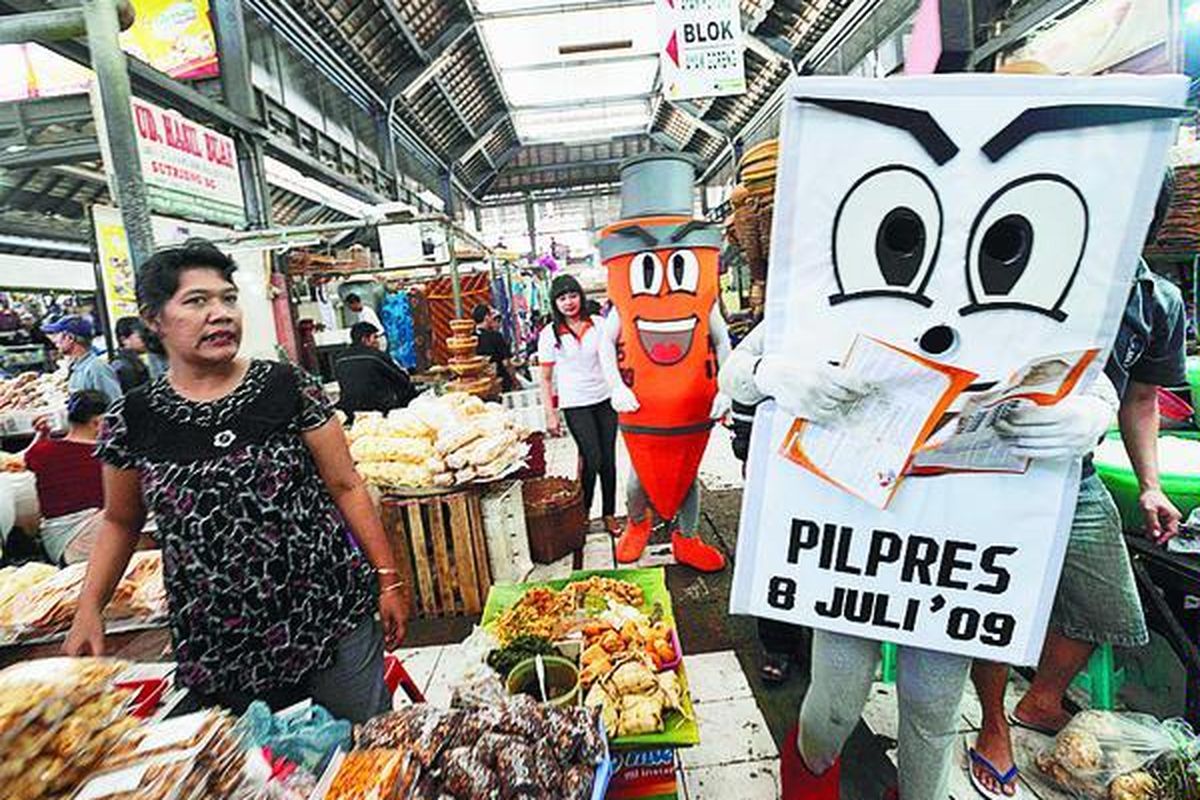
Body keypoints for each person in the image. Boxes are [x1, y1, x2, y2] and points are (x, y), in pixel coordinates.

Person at [721, 324, 1116, 800]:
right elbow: (736, 366)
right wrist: (770, 372)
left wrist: (1092, 413)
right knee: (835, 702)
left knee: (933, 709)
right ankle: (808, 781)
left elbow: (1093, 372)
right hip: (852, 530)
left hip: (955, 538)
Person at [63, 240, 408, 723]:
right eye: (197, 301)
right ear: (154, 319)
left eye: (228, 298)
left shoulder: (288, 387)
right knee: (252, 762)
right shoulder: (133, 418)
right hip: (219, 640)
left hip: (328, 616)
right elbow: (121, 521)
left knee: (366, 748)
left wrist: (388, 579)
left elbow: (346, 485)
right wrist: (90, 606)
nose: (221, 313)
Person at [966, 173, 1187, 799]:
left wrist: (1150, 485)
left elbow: (1141, 399)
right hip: (995, 466)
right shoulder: (1029, 268)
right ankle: (992, 725)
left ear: (1151, 223)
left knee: (1107, 606)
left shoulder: (1157, 301)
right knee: (994, 603)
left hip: (1075, 473)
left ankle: (1040, 700)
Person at [537, 275, 620, 535]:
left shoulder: (599, 324)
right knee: (592, 458)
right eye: (562, 298)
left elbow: (616, 357)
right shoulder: (549, 334)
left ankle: (609, 514)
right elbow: (545, 378)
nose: (569, 302)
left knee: (608, 459)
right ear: (555, 303)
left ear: (581, 296)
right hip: (575, 404)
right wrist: (550, 414)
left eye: (573, 295)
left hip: (605, 399)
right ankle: (582, 513)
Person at [24, 390, 107, 565]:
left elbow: (29, 459)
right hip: (82, 543)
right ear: (97, 422)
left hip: (54, 542)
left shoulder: (42, 451)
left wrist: (42, 436)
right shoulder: (106, 456)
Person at [335, 322, 417, 422]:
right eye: (375, 337)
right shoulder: (375, 356)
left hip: (349, 410)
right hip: (378, 408)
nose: (377, 341)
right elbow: (401, 379)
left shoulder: (339, 359)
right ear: (365, 339)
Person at [43, 315, 121, 403]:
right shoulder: (77, 367)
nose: (54, 341)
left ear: (70, 337)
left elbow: (115, 404)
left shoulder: (97, 368)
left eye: (57, 334)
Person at [473, 303, 515, 392]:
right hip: (500, 383)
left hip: (480, 384)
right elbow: (506, 363)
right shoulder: (495, 336)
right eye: (490, 315)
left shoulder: (471, 339)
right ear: (486, 317)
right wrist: (514, 380)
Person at [111, 317, 150, 393]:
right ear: (124, 340)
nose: (146, 339)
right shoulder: (124, 366)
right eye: (140, 336)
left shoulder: (134, 362)